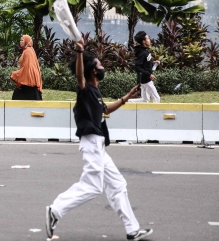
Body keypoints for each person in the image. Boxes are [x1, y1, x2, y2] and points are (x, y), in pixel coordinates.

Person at [45, 39, 153, 241]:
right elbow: (79, 76)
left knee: (118, 184)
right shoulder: (85, 89)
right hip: (91, 142)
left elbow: (105, 110)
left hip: (99, 146)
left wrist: (126, 97)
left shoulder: (95, 92)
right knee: (93, 187)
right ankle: (55, 210)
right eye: (100, 64)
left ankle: (132, 230)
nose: (103, 67)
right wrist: (79, 52)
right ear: (93, 70)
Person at [128, 31, 160, 103]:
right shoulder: (143, 53)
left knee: (145, 100)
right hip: (147, 80)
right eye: (148, 38)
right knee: (157, 98)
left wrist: (153, 62)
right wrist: (149, 74)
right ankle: (154, 114)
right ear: (143, 41)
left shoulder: (144, 51)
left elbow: (144, 63)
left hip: (144, 80)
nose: (149, 40)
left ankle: (127, 102)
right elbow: (137, 67)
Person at [10, 35, 43, 100]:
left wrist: (16, 74)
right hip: (28, 82)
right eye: (20, 40)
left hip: (28, 83)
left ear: (27, 41)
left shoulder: (28, 51)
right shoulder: (28, 50)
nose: (20, 42)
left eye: (22, 40)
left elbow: (27, 68)